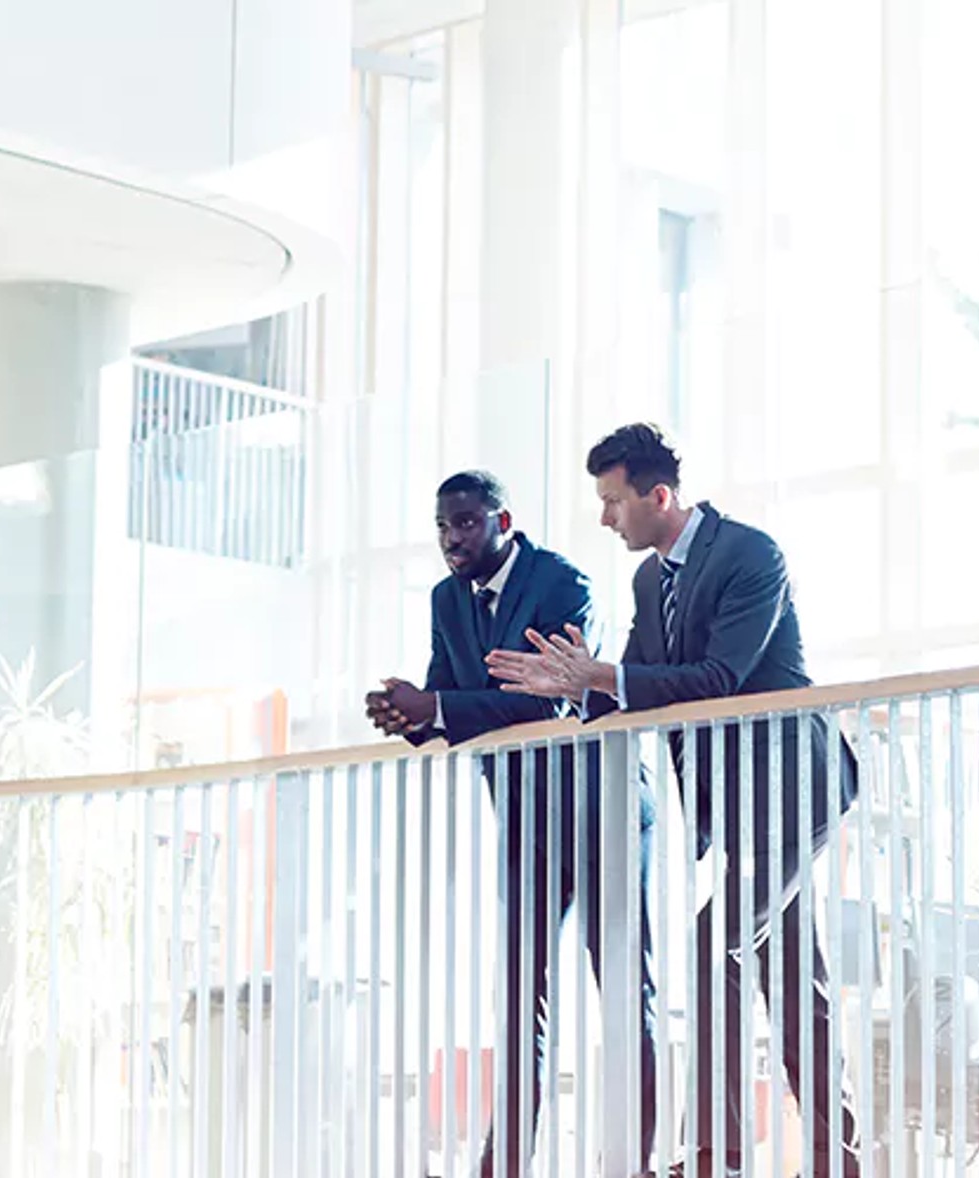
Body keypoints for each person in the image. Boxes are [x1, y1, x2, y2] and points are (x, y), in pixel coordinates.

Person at [489, 425, 865, 1178]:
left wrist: (597, 678)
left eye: (613, 501)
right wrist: (573, 692)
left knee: (712, 942)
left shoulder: (748, 555)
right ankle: (841, 1159)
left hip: (795, 788)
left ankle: (711, 1158)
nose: (605, 519)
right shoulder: (646, 580)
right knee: (796, 981)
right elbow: (634, 686)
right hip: (738, 810)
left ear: (659, 496)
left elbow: (717, 678)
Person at [370, 470, 664, 1177]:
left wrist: (440, 705)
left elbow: (551, 701)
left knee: (623, 992)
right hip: (526, 815)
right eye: (443, 526)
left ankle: (632, 1159)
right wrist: (413, 718)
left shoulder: (561, 583)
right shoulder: (447, 600)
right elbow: (453, 704)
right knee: (520, 995)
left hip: (603, 808)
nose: (452, 539)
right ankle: (503, 1163)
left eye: (467, 523)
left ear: (503, 521)